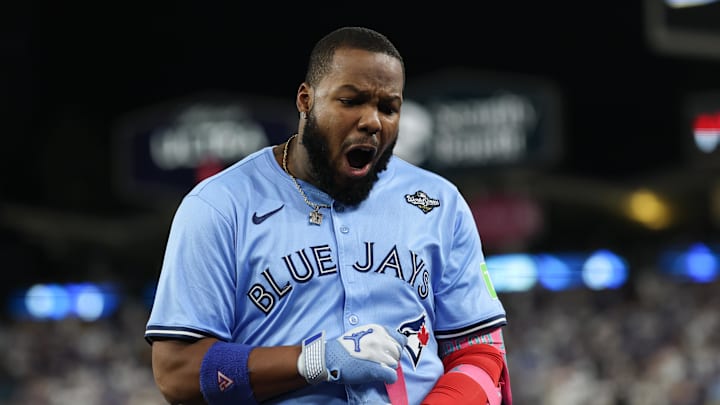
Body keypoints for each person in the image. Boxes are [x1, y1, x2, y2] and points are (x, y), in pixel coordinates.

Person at [144, 26, 512, 405]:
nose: (372, 121)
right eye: (351, 101)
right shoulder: (219, 206)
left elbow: (481, 353)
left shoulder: (438, 202)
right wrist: (314, 360)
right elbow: (176, 372)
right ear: (306, 100)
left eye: (388, 107)